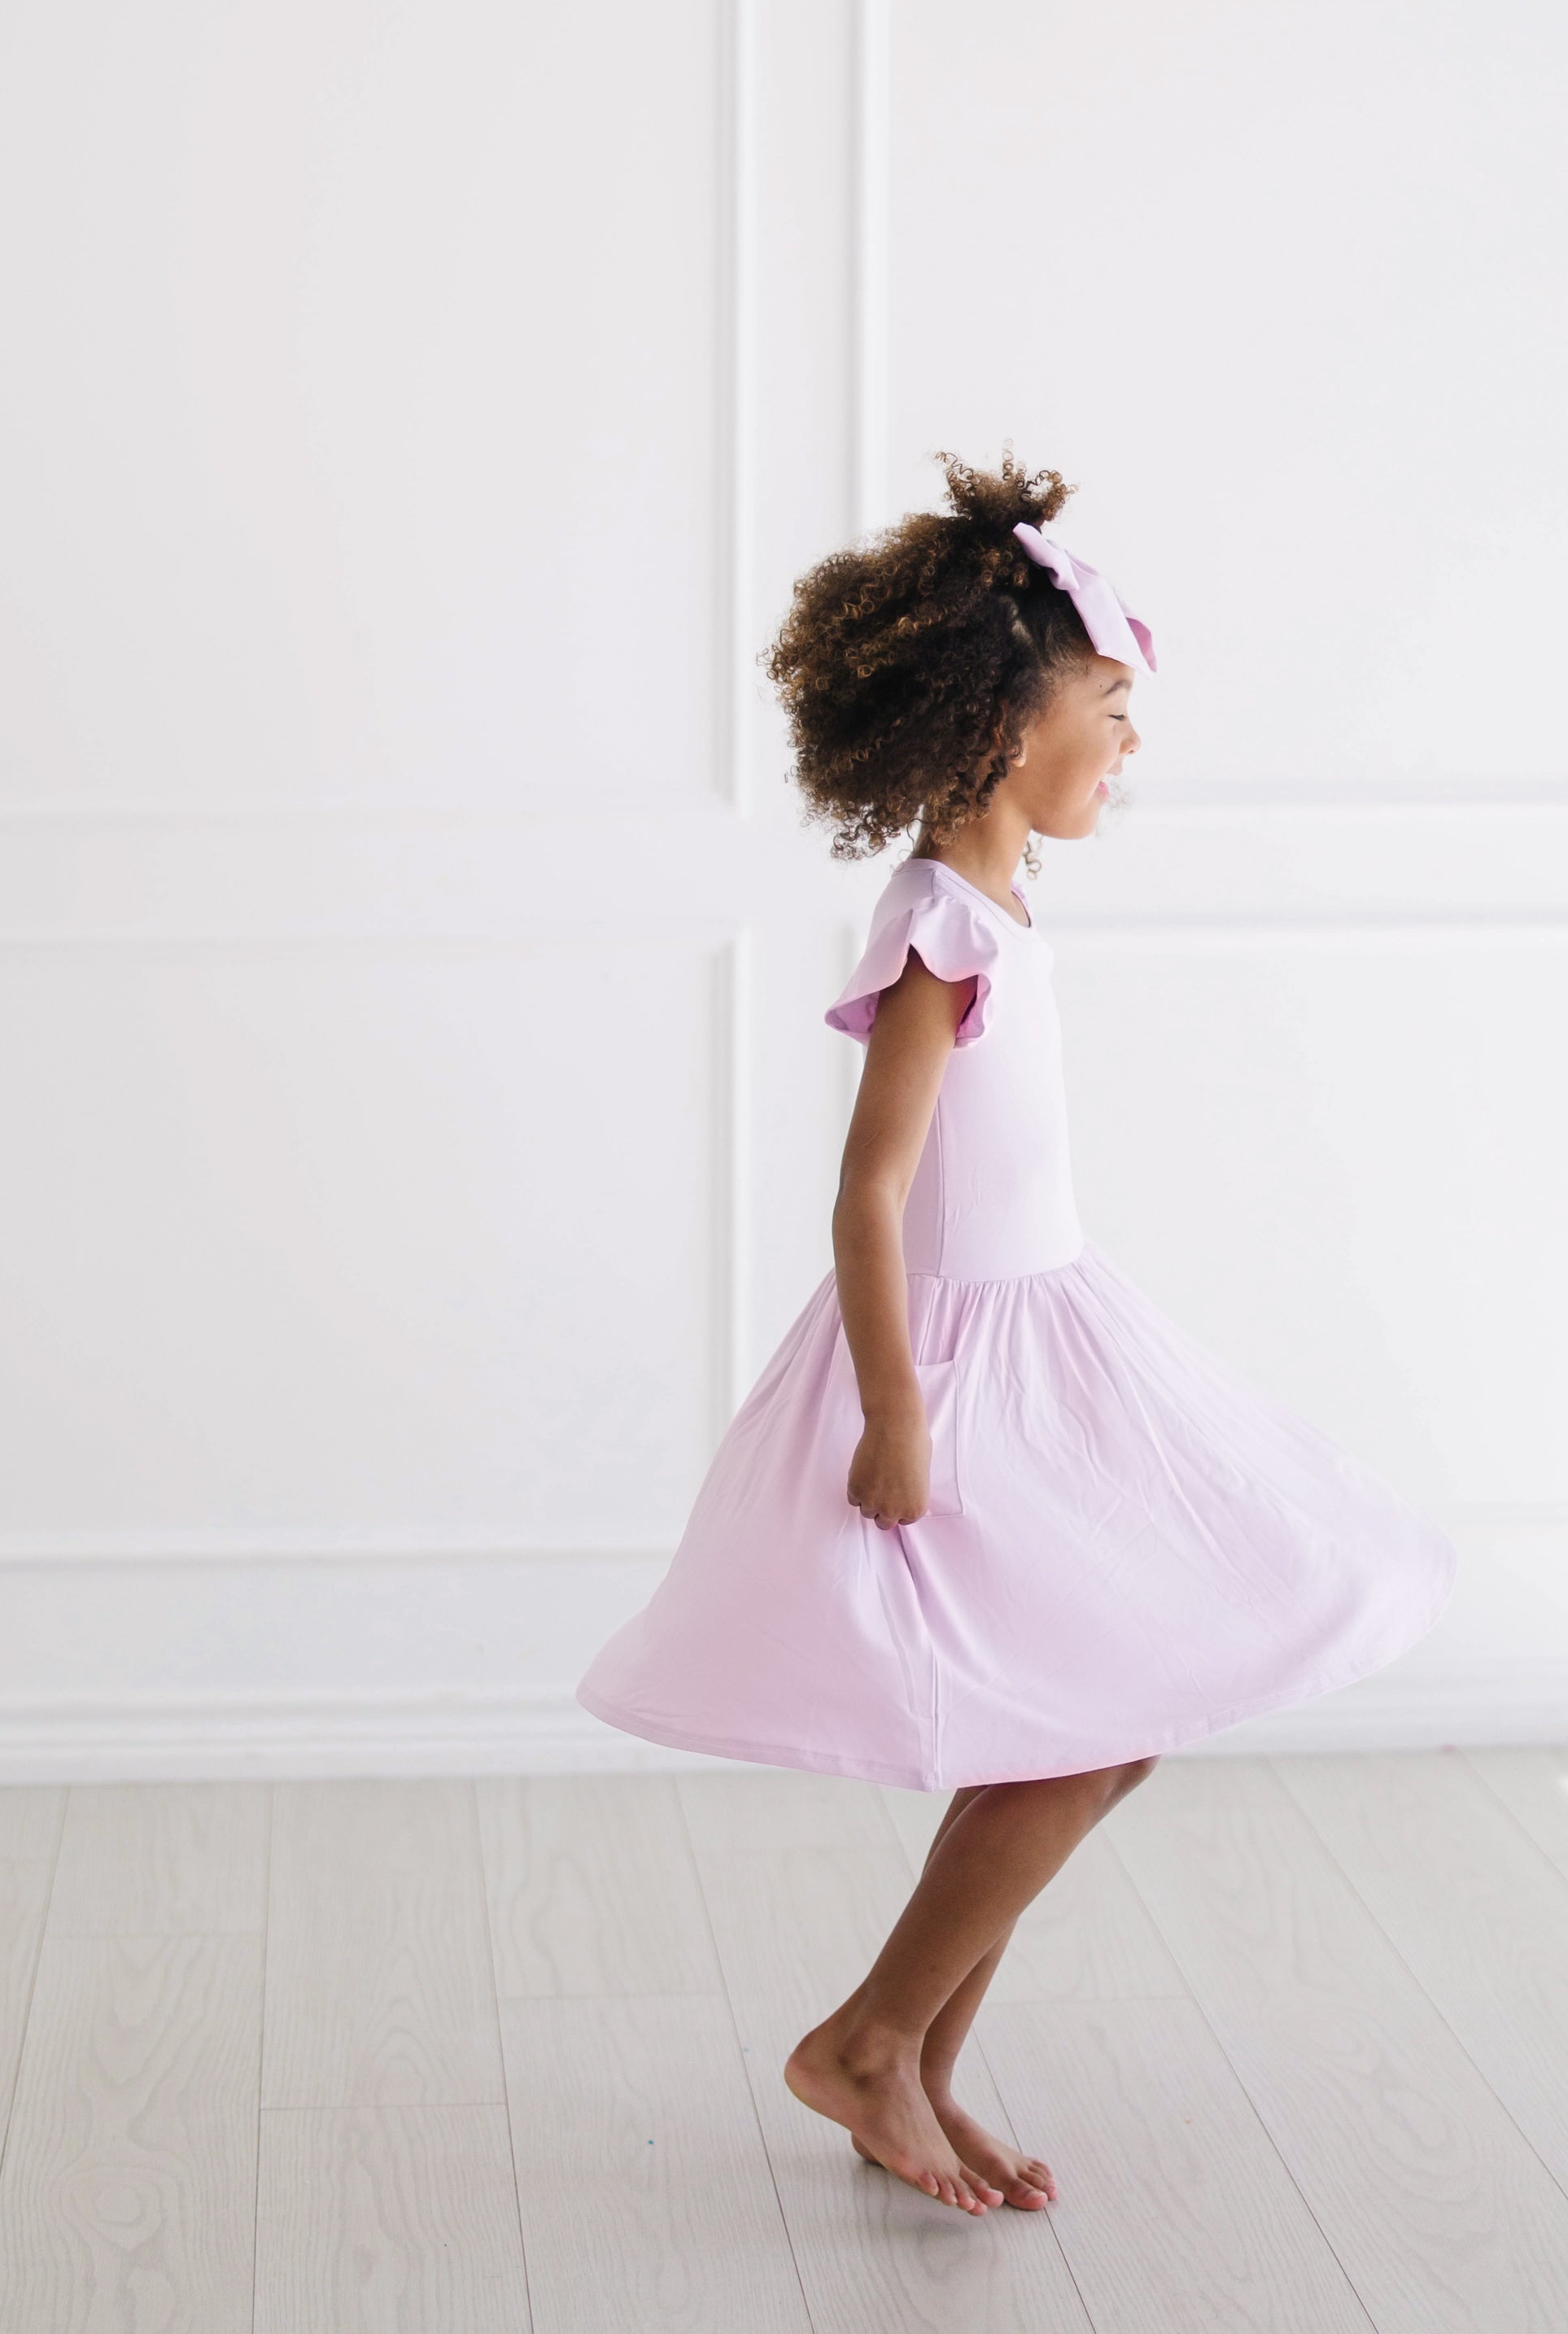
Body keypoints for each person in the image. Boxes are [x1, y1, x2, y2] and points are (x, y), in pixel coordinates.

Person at [577, 452, 1458, 2216]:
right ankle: (866, 2042)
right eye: (1109, 712)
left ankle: (915, 2057)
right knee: (1079, 1722)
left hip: (1061, 1335)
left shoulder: (1000, 911)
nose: (1129, 751)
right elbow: (868, 1190)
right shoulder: (938, 929)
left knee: (1100, 1712)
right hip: (971, 1375)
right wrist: (898, 1410)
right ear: (1000, 733)